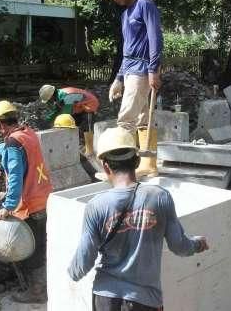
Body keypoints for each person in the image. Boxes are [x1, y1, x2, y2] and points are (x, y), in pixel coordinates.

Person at [67, 127, 209, 311]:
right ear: (137, 161)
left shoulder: (96, 206)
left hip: (106, 298)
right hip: (145, 300)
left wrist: (72, 273)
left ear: (106, 166)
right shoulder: (160, 197)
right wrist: (198, 244)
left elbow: (83, 261)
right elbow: (179, 246)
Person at [0, 100, 53, 303]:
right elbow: (7, 150)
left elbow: (15, 175)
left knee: (30, 252)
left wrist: (8, 205)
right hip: (44, 200)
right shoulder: (28, 134)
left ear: (1, 124)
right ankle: (45, 285)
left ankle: (37, 292)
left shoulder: (13, 142)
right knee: (42, 246)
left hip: (29, 206)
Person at [103, 0, 163, 177]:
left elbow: (155, 37)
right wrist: (118, 78)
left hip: (142, 71)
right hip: (129, 71)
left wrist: (153, 69)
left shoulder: (144, 4)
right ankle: (148, 165)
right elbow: (126, 50)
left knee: (125, 119)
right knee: (142, 119)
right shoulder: (124, 14)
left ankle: (121, 171)